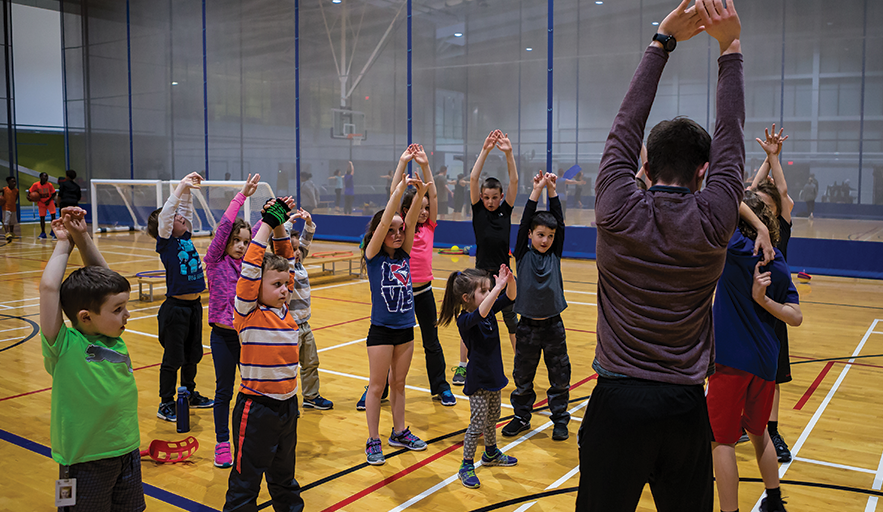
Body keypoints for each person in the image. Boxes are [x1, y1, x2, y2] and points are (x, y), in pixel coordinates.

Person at [576, 1, 744, 510]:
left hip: (617, 404)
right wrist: (730, 49)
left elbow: (624, 125)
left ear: (644, 167)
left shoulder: (616, 207)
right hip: (684, 408)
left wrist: (661, 43)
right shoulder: (716, 218)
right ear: (704, 171)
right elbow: (732, 137)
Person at [40, 206, 145, 512]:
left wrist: (82, 237)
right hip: (84, 464)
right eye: (118, 310)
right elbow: (49, 288)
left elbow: (107, 281)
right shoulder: (63, 344)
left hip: (127, 452)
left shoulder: (113, 338)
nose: (127, 314)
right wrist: (64, 243)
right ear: (85, 317)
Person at [708, 190, 802, 512]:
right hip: (765, 363)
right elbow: (796, 317)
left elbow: (724, 196)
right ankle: (774, 501)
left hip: (730, 362)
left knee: (722, 441)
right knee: (759, 432)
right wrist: (765, 301)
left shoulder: (735, 248)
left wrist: (757, 226)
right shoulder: (779, 263)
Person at [224, 196, 304, 512]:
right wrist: (268, 224)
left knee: (284, 479)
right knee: (246, 483)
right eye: (277, 284)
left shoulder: (285, 310)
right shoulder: (248, 312)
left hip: (288, 407)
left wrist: (281, 223)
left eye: (286, 284)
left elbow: (287, 260)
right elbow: (250, 266)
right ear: (256, 287)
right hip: (256, 409)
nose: (285, 289)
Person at [378, 144, 456, 406]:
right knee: (390, 343)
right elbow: (394, 194)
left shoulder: (430, 226)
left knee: (431, 341)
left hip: (424, 293)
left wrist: (424, 164)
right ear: (406, 210)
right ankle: (378, 389)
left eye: (425, 207)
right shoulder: (403, 228)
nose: (423, 212)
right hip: (401, 295)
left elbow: (433, 194)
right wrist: (402, 162)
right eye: (418, 208)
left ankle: (441, 387)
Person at [361, 168, 429, 466]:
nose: (399, 233)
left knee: (399, 383)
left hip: (405, 329)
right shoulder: (373, 256)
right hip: (381, 331)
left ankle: (399, 432)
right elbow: (387, 219)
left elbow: (410, 221)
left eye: (400, 230)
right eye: (392, 230)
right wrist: (399, 191)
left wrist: (421, 194)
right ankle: (373, 439)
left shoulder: (404, 254)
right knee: (377, 387)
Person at [502, 171, 571, 441]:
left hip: (554, 326)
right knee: (523, 376)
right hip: (527, 327)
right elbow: (523, 221)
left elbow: (559, 222)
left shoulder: (555, 253)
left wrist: (551, 189)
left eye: (550, 236)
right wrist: (536, 190)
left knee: (560, 376)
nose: (545, 240)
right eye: (540, 235)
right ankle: (521, 417)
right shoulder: (522, 253)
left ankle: (560, 419)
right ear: (530, 234)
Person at [438, 266, 518, 489]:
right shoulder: (465, 320)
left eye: (489, 290)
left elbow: (510, 297)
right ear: (466, 298)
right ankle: (466, 465)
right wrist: (498, 287)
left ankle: (491, 453)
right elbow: (480, 313)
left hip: (494, 375)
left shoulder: (488, 310)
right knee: (477, 424)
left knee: (494, 417)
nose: (489, 293)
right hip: (479, 379)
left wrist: (509, 281)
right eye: (484, 291)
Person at [744, 124, 796, 463]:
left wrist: (774, 158)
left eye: (768, 206)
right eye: (758, 207)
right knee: (739, 369)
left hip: (772, 307)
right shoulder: (747, 230)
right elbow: (748, 192)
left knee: (772, 376)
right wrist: (765, 160)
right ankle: (739, 421)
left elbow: (782, 190)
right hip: (744, 304)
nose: (763, 211)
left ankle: (772, 430)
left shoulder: (782, 228)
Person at [147, 172, 214, 423]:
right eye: (176, 217)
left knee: (193, 354)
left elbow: (184, 209)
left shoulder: (185, 237)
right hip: (175, 310)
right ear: (165, 227)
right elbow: (167, 214)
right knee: (173, 359)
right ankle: (166, 402)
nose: (180, 217)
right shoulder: (166, 244)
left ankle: (188, 393)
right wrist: (179, 187)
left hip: (194, 307)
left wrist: (187, 190)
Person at [203, 173, 260, 468]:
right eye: (235, 241)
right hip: (223, 337)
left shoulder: (248, 264)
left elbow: (260, 234)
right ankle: (222, 442)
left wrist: (274, 215)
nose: (240, 246)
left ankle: (250, 438)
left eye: (245, 242)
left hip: (246, 337)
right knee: (223, 391)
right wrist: (242, 196)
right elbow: (225, 226)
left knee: (251, 389)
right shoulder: (215, 261)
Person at [453, 130, 519, 386]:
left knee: (511, 321)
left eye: (495, 197)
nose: (490, 201)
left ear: (501, 197)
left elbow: (514, 181)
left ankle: (520, 367)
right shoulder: (478, 210)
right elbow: (473, 178)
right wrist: (485, 150)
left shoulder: (506, 210)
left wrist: (508, 153)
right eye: (486, 197)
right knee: (472, 320)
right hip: (481, 276)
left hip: (503, 275)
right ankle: (462, 366)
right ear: (481, 197)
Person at [283, 208, 334, 411]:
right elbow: (283, 243)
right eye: (292, 249)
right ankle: (286, 400)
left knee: (311, 363)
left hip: (305, 325)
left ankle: (311, 397)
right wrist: (288, 224)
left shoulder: (299, 263)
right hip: (291, 327)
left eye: (298, 249)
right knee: (288, 366)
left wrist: (309, 223)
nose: (297, 252)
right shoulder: (285, 267)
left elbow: (306, 241)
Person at [28, 172, 57, 239]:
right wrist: (29, 197)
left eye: (47, 176)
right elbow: (29, 192)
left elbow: (54, 193)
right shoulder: (36, 185)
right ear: (40, 177)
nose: (46, 178)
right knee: (42, 218)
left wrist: (48, 201)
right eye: (44, 176)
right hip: (41, 203)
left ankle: (53, 231)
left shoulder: (49, 185)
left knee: (53, 216)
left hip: (49, 202)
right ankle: (43, 233)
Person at [2, 176, 18, 241]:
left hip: (13, 208)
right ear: (8, 183)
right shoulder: (4, 189)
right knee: (6, 221)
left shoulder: (16, 190)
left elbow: (16, 199)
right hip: (6, 208)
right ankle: (7, 233)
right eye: (12, 182)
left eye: (15, 181)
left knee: (12, 222)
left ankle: (11, 232)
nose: (14, 183)